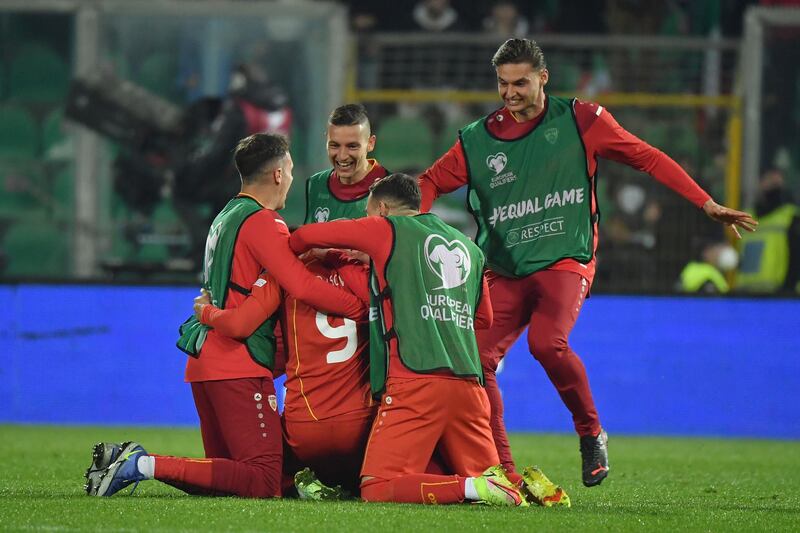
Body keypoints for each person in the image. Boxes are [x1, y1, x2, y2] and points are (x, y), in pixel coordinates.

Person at [417, 38, 757, 487]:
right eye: (503, 83)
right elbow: (426, 184)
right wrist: (407, 231)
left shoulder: (581, 120)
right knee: (476, 362)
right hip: (504, 268)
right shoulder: (477, 140)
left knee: (546, 344)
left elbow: (647, 158)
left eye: (520, 82)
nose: (511, 92)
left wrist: (706, 203)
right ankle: (506, 473)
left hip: (565, 259)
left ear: (543, 78)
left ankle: (591, 432)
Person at [84, 133, 366, 498]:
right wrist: (362, 309)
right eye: (292, 170)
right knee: (264, 479)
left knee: (230, 479)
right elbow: (303, 287)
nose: (293, 179)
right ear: (278, 174)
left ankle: (131, 464)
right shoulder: (265, 223)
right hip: (238, 363)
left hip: (205, 364)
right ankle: (139, 463)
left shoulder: (225, 216)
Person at [289, 173, 569, 507]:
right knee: (492, 480)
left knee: (378, 488)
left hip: (416, 381)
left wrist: (310, 253)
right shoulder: (469, 247)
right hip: (469, 388)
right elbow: (484, 319)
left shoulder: (384, 229)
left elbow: (306, 235)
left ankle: (471, 488)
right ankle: (536, 492)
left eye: (367, 213)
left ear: (381, 208)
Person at [192, 250, 375, 497]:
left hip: (304, 431)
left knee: (253, 476)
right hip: (364, 432)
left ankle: (148, 465)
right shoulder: (368, 274)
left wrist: (206, 312)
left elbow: (239, 325)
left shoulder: (286, 273)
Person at [304, 104, 389, 224]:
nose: (342, 156)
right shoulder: (316, 184)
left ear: (370, 143)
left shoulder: (392, 188)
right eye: (334, 145)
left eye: (352, 146)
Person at [736, 167, 800, 294]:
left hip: (778, 294)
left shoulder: (791, 217)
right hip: (745, 294)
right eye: (769, 180)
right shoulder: (746, 217)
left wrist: (788, 289)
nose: (773, 185)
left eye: (777, 182)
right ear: (760, 183)